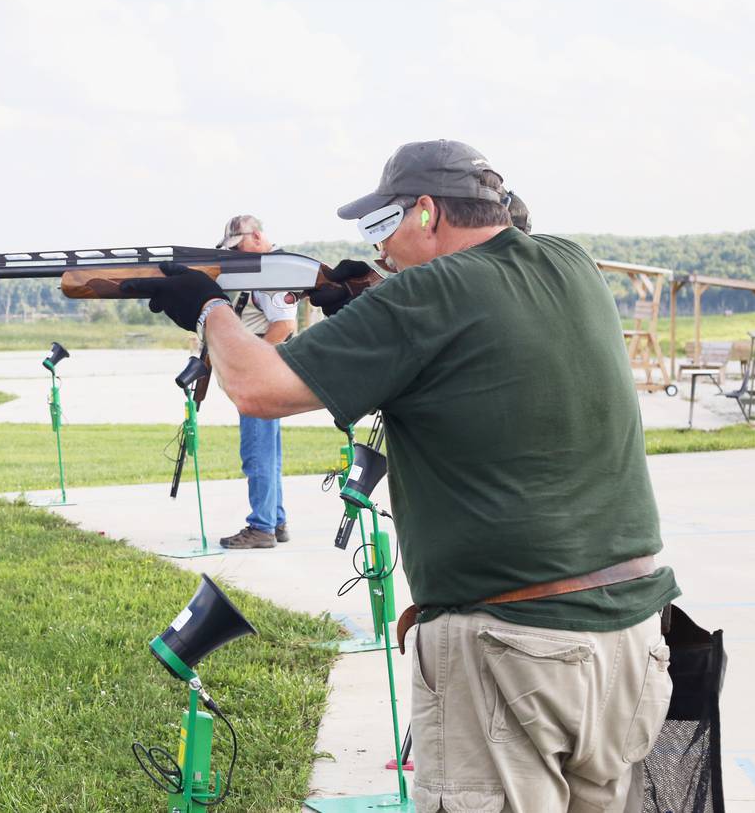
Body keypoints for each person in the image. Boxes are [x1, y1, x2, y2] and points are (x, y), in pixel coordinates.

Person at [125, 140, 676, 812]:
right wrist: (354, 300)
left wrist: (209, 306)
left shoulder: (426, 293)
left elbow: (256, 386)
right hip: (631, 641)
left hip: (514, 655)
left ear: (425, 211)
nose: (379, 248)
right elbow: (469, 333)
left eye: (383, 226)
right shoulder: (570, 263)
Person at [215, 215, 296, 550]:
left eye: (240, 245)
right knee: (267, 452)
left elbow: (284, 326)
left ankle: (261, 527)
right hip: (269, 373)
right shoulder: (265, 269)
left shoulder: (271, 273)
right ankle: (275, 521)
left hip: (264, 375)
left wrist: (252, 363)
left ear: (258, 236)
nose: (236, 253)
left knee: (257, 452)